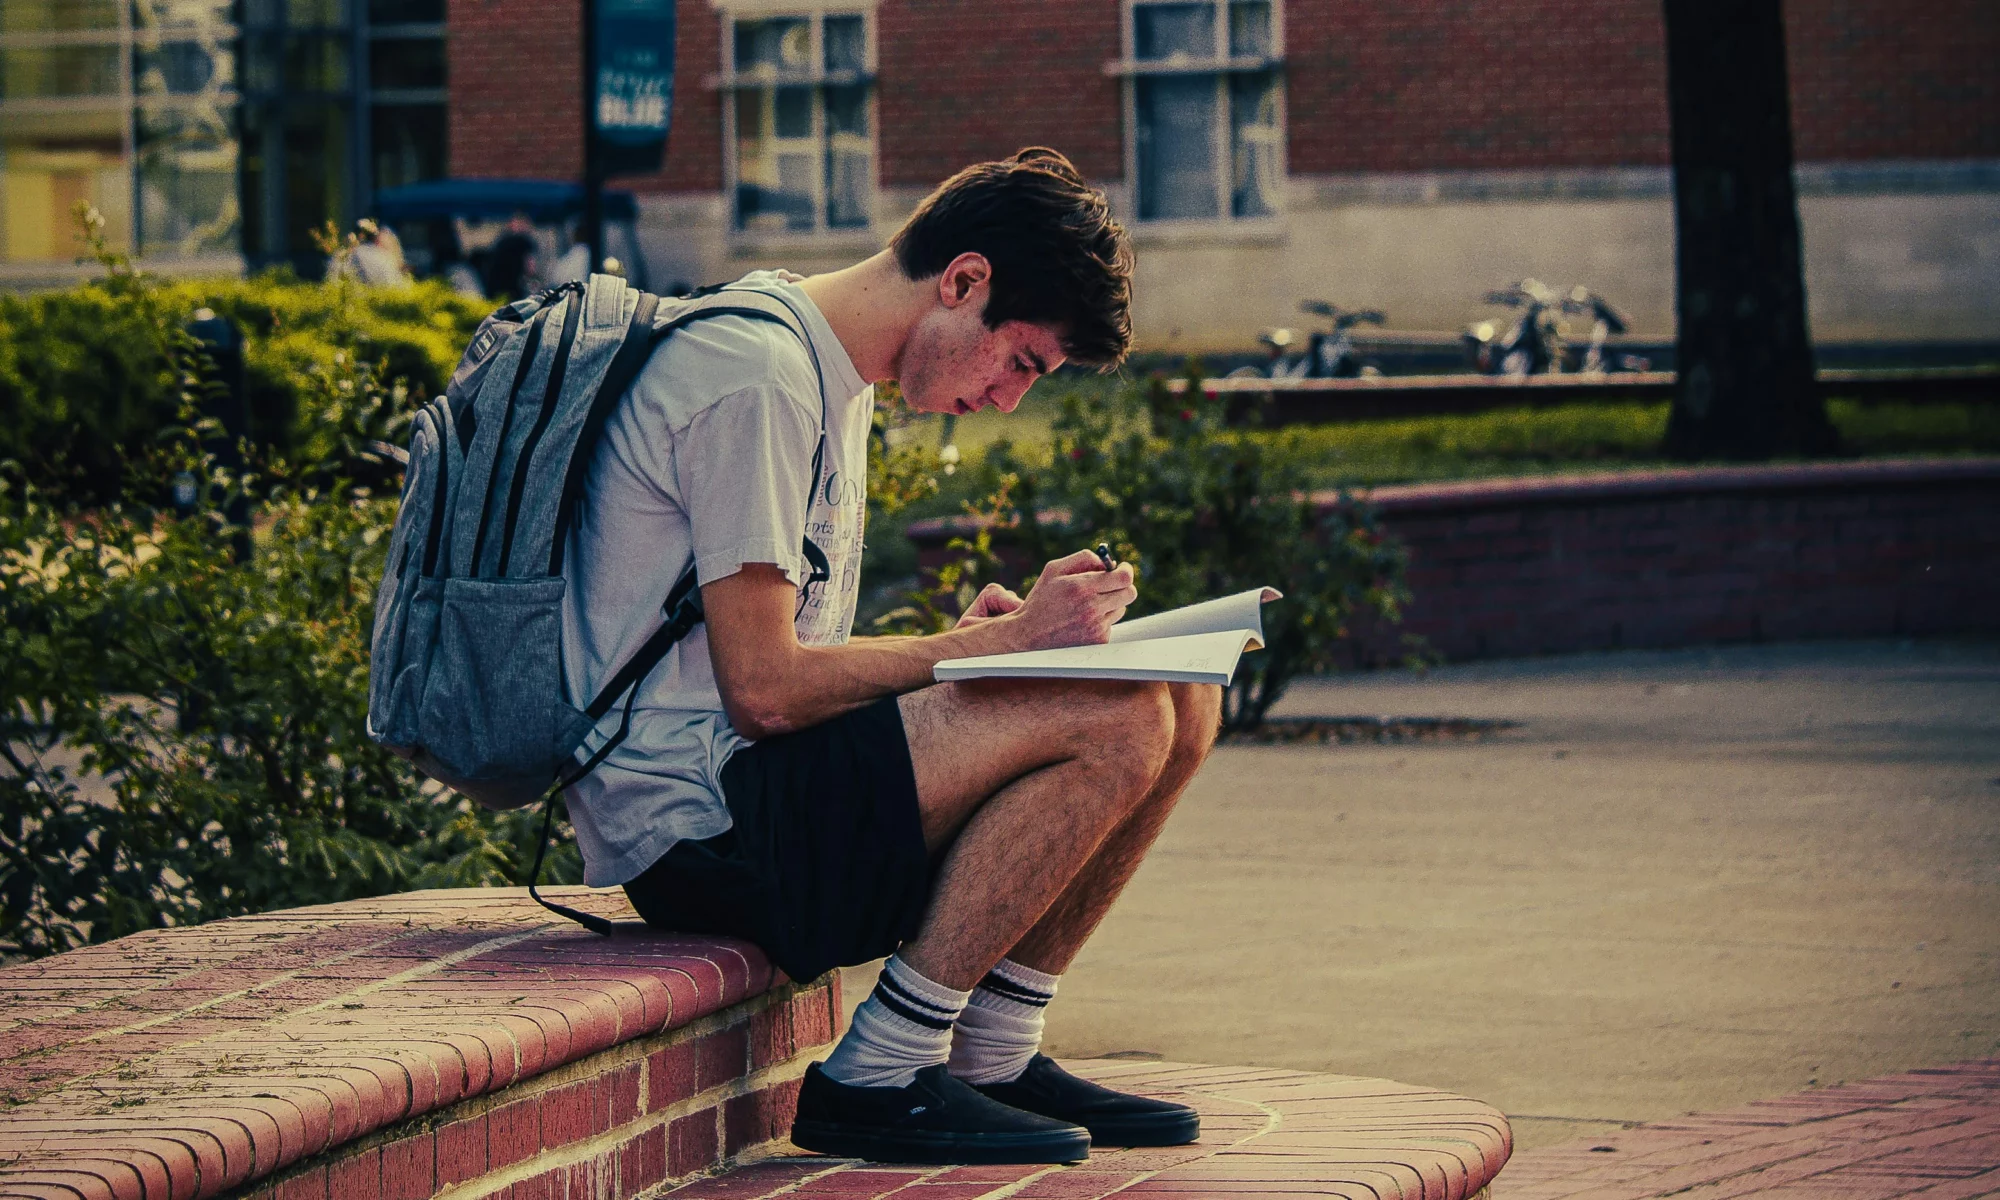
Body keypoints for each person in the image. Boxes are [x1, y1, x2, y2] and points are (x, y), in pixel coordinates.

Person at [561, 147, 1219, 1165]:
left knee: (1179, 695)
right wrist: (1001, 648)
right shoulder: (756, 379)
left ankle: (991, 1051)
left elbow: (775, 669)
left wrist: (964, 655)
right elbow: (767, 695)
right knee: (1117, 713)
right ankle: (879, 1074)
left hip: (758, 793)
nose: (1005, 401)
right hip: (698, 835)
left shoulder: (825, 373)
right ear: (962, 282)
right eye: (1019, 364)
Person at [483, 212, 539, 301]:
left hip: (496, 292)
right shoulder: (524, 242)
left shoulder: (500, 242)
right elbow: (531, 269)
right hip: (513, 292)